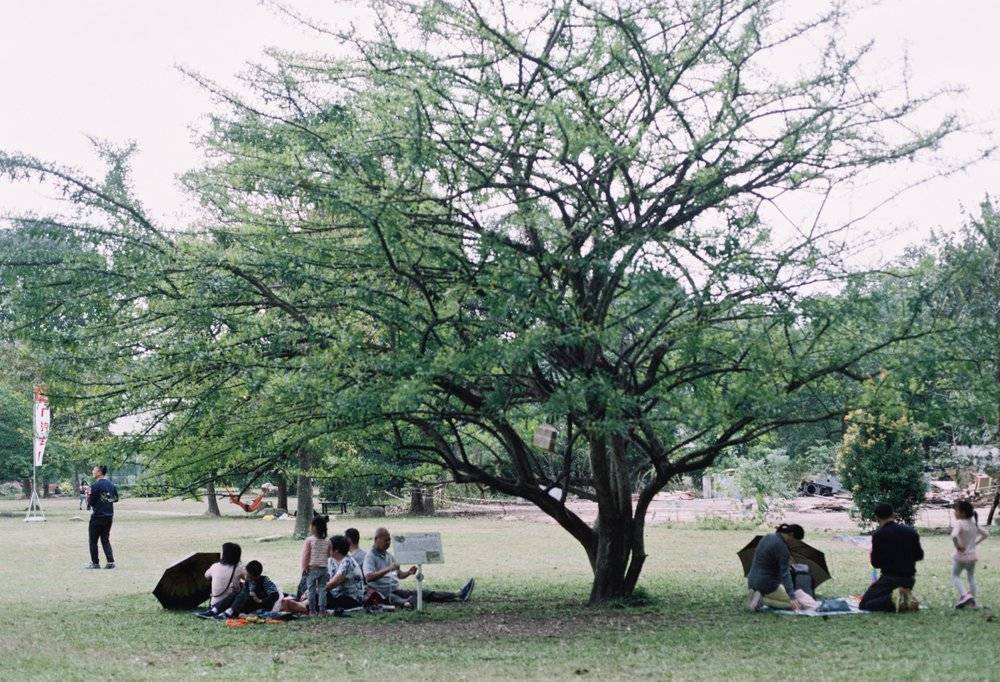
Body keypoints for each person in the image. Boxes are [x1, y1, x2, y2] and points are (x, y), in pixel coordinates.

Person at [363, 527, 475, 608]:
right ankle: (408, 604)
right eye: (385, 540)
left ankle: (458, 594)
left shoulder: (388, 555)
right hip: (383, 593)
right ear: (376, 539)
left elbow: (398, 574)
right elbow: (369, 577)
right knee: (401, 601)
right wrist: (388, 568)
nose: (388, 543)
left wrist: (408, 572)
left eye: (389, 540)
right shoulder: (370, 557)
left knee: (423, 592)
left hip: (396, 589)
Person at [859, 503, 924, 613]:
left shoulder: (878, 535)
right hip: (908, 580)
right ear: (893, 515)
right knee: (879, 597)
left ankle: (895, 598)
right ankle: (903, 596)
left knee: (865, 604)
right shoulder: (911, 532)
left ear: (876, 518)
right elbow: (919, 556)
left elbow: (876, 563)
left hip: (889, 579)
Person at [746, 523, 802, 611]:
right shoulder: (783, 548)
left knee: (784, 594)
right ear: (791, 535)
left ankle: (755, 594)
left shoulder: (767, 537)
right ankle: (762, 600)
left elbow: (768, 560)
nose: (793, 544)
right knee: (796, 604)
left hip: (752, 580)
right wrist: (792, 596)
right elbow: (785, 574)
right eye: (795, 541)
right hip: (767, 584)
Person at [200, 560, 281, 620]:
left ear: (257, 576)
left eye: (250, 577)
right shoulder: (248, 580)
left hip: (258, 604)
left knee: (243, 594)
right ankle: (214, 610)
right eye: (247, 576)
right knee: (235, 594)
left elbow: (275, 595)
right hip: (248, 603)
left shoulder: (265, 581)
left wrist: (261, 601)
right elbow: (245, 591)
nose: (247, 579)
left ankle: (228, 613)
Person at [951, 499, 989, 609]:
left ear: (962, 513)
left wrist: (958, 546)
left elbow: (954, 535)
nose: (955, 512)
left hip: (960, 557)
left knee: (955, 576)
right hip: (972, 557)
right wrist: (974, 543)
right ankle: (973, 603)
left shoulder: (959, 523)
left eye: (956, 510)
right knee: (971, 578)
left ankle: (965, 595)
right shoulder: (974, 524)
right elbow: (986, 534)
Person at [198, 542, 247, 618]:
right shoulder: (240, 568)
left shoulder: (215, 566)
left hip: (214, 605)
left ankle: (215, 611)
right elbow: (249, 579)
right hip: (232, 605)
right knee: (245, 589)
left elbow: (206, 575)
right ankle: (228, 612)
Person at [85, 465, 118, 569]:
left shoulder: (95, 486)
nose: (92, 471)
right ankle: (110, 562)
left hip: (98, 516)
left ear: (99, 472)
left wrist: (88, 496)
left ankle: (95, 563)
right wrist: (106, 499)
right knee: (105, 539)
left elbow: (91, 503)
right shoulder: (111, 485)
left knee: (93, 540)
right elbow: (115, 499)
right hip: (109, 516)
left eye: (94, 470)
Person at [301, 515, 332, 615]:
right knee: (322, 589)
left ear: (314, 527)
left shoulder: (309, 540)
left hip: (312, 569)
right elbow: (329, 555)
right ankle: (322, 610)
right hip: (323, 569)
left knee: (311, 590)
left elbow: (306, 555)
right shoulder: (328, 541)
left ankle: (312, 611)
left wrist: (304, 567)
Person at [325, 534, 365, 609]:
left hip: (351, 599)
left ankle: (302, 606)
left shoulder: (347, 563)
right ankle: (302, 604)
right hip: (336, 595)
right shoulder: (331, 560)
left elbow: (332, 584)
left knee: (321, 598)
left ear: (336, 550)